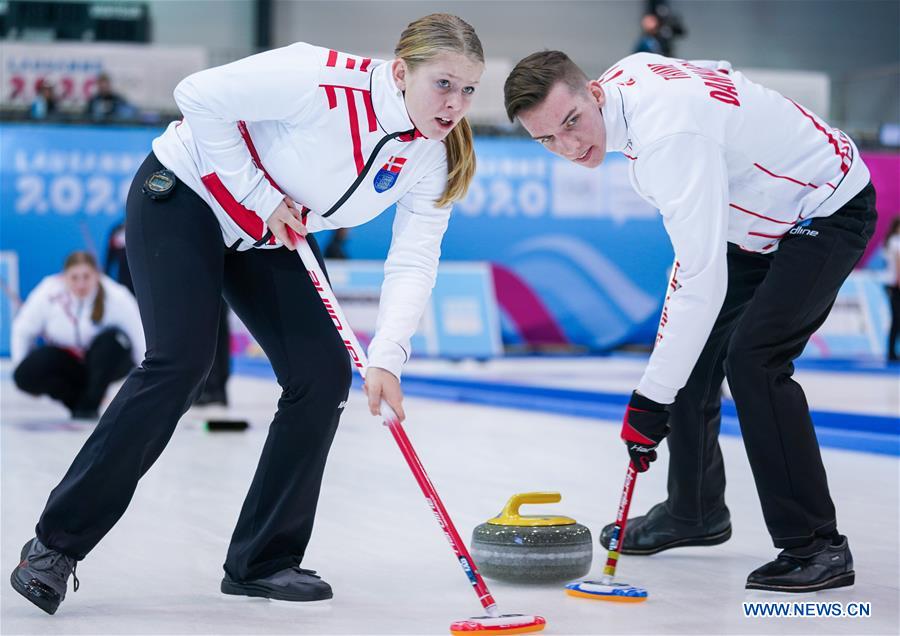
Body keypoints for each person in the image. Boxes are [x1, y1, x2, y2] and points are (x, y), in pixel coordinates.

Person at [11, 13, 483, 615]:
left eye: (468, 90)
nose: (455, 104)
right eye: (443, 84)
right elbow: (196, 96)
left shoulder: (433, 157)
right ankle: (54, 547)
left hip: (269, 235)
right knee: (181, 362)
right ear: (400, 72)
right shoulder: (320, 78)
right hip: (188, 194)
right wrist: (260, 198)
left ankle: (264, 559)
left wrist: (388, 355)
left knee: (322, 374)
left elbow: (415, 258)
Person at [504, 51, 874, 593]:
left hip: (825, 204)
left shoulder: (666, 140)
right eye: (547, 139)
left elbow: (701, 279)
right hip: (752, 217)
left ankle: (817, 546)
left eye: (572, 123)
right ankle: (693, 512)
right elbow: (717, 68)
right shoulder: (633, 77)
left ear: (595, 94)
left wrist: (651, 400)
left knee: (754, 360)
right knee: (696, 352)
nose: (568, 146)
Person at [11, 252, 145, 419]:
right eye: (74, 278)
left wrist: (146, 381)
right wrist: (21, 365)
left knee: (113, 342)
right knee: (27, 372)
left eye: (86, 277)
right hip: (69, 365)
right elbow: (23, 329)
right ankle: (79, 402)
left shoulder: (117, 296)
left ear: (96, 275)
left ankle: (90, 401)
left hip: (106, 364)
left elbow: (139, 336)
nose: (81, 284)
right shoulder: (48, 292)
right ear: (64, 277)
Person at [884, 217, 900, 361]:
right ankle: (892, 352)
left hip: (892, 283)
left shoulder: (891, 241)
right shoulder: (896, 241)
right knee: (897, 319)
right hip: (896, 284)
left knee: (896, 319)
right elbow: (898, 261)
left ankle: (892, 352)